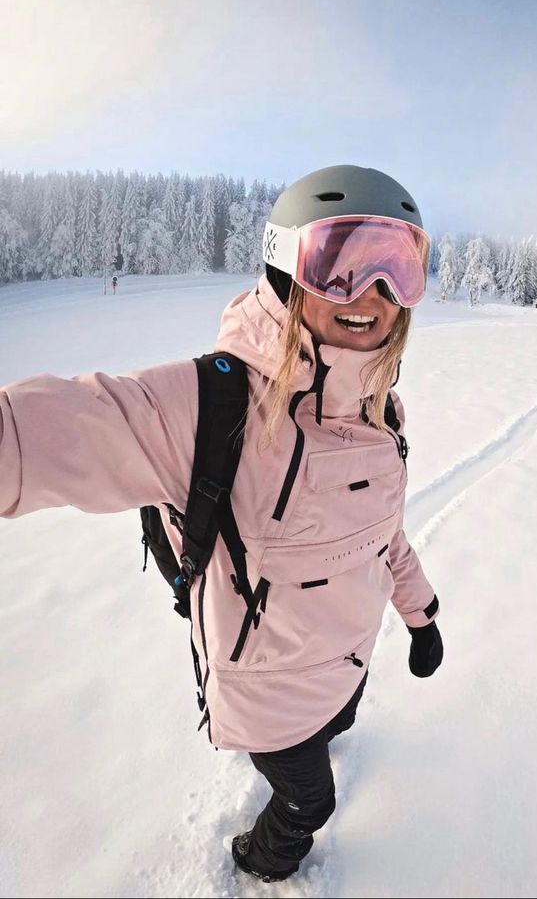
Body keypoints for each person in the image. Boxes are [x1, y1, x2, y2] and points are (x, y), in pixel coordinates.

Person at [0, 164, 444, 883]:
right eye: (338, 263)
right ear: (283, 270)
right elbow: (45, 433)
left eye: (396, 266)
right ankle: (265, 858)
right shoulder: (208, 407)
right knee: (310, 801)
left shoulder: (380, 413)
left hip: (348, 665)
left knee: (337, 726)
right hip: (266, 692)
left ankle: (330, 732)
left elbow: (383, 537)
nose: (372, 295)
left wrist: (420, 616)